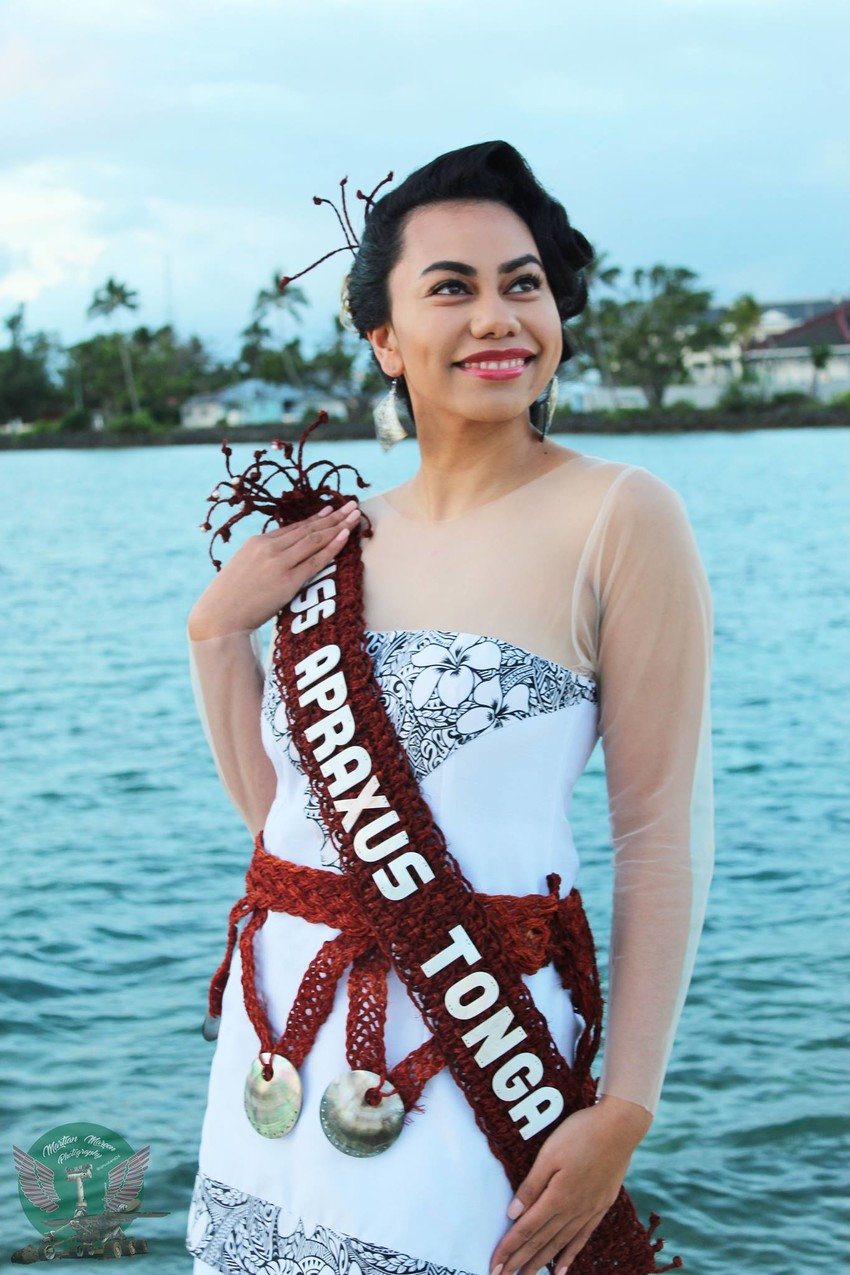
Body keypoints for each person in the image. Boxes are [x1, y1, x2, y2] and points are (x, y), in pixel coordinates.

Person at [184, 140, 714, 1275]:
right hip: (276, 1052)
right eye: (452, 288)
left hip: (475, 1061)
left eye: (523, 284)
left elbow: (659, 831)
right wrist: (215, 634)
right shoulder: (336, 542)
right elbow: (289, 835)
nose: (499, 318)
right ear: (383, 337)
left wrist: (625, 1106)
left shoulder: (620, 515)